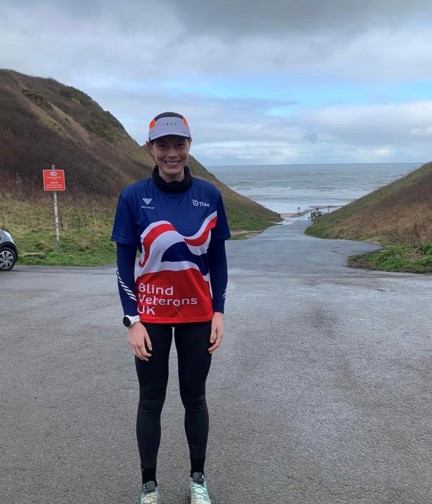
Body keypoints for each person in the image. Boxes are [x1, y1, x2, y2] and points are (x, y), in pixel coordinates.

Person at [111, 112, 231, 504]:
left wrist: (219, 311)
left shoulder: (210, 196)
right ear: (150, 148)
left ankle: (198, 479)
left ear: (189, 145)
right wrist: (132, 320)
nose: (171, 153)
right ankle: (149, 486)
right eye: (163, 145)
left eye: (179, 144)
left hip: (198, 315)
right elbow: (124, 263)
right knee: (151, 400)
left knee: (194, 397)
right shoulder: (133, 196)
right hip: (152, 319)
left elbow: (218, 260)